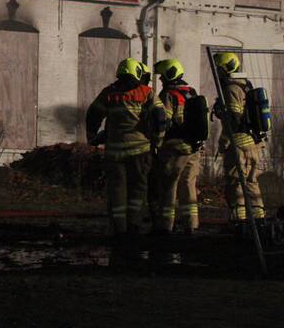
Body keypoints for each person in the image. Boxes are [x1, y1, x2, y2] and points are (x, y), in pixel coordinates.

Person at [85, 58, 167, 241]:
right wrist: (158, 142)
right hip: (141, 152)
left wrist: (91, 136)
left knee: (117, 191)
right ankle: (134, 227)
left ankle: (119, 230)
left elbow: (93, 114)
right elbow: (160, 119)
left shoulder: (109, 93)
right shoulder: (146, 92)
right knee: (138, 191)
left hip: (114, 153)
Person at [148, 59, 203, 235]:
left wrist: (156, 144)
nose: (162, 80)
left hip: (174, 148)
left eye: (162, 77)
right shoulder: (191, 92)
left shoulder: (168, 95)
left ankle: (165, 226)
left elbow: (163, 122)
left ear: (169, 75)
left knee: (168, 186)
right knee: (188, 186)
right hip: (193, 148)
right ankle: (191, 225)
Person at [212, 51, 266, 223]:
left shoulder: (231, 88)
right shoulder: (245, 85)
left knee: (236, 184)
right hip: (254, 144)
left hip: (239, 146)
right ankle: (259, 220)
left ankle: (239, 222)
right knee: (251, 183)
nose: (217, 73)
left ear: (227, 69)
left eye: (219, 70)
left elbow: (234, 120)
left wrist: (222, 115)